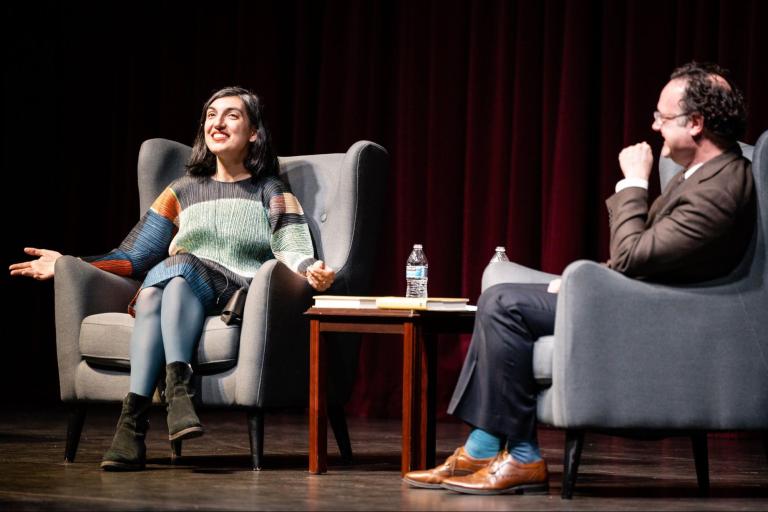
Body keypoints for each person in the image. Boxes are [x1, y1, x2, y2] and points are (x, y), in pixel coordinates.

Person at [403, 61, 755, 495]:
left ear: (696, 123)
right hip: (639, 299)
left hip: (664, 320)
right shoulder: (700, 178)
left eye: (662, 117)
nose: (654, 126)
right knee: (502, 294)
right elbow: (661, 256)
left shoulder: (722, 187)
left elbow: (631, 255)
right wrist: (585, 283)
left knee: (503, 304)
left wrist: (632, 183)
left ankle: (519, 457)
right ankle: (488, 447)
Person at [9, 86, 337, 471]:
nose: (217, 122)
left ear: (254, 133)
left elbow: (291, 245)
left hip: (233, 288)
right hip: (178, 283)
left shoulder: (270, 189)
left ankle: (169, 396)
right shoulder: (179, 190)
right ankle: (142, 420)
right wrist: (71, 263)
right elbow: (133, 257)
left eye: (231, 115)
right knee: (156, 293)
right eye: (211, 115)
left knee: (175, 273)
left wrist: (310, 269)